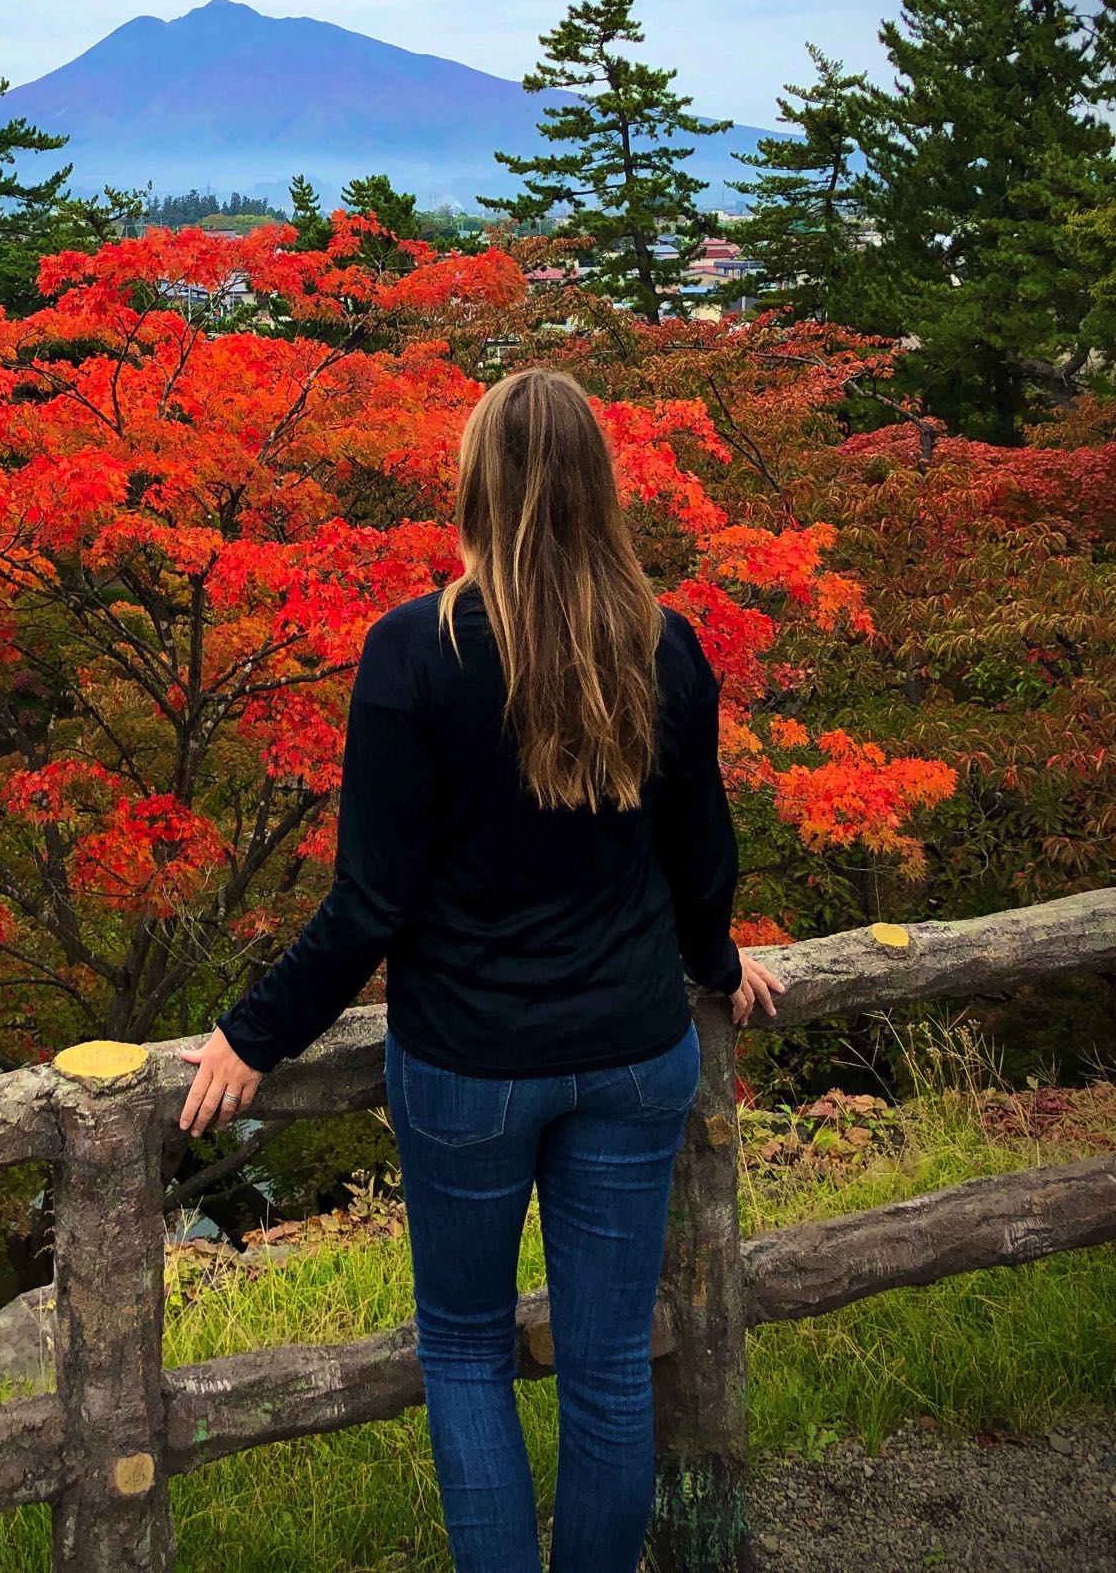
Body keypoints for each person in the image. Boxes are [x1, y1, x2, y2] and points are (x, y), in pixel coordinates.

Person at [177, 365, 785, 1573]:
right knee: (608, 1365)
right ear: (601, 493)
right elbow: (700, 854)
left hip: (467, 1064)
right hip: (631, 1050)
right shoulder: (663, 646)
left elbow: (370, 902)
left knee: (463, 1351)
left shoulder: (415, 651)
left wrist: (253, 1035)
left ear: (474, 488)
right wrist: (717, 962)